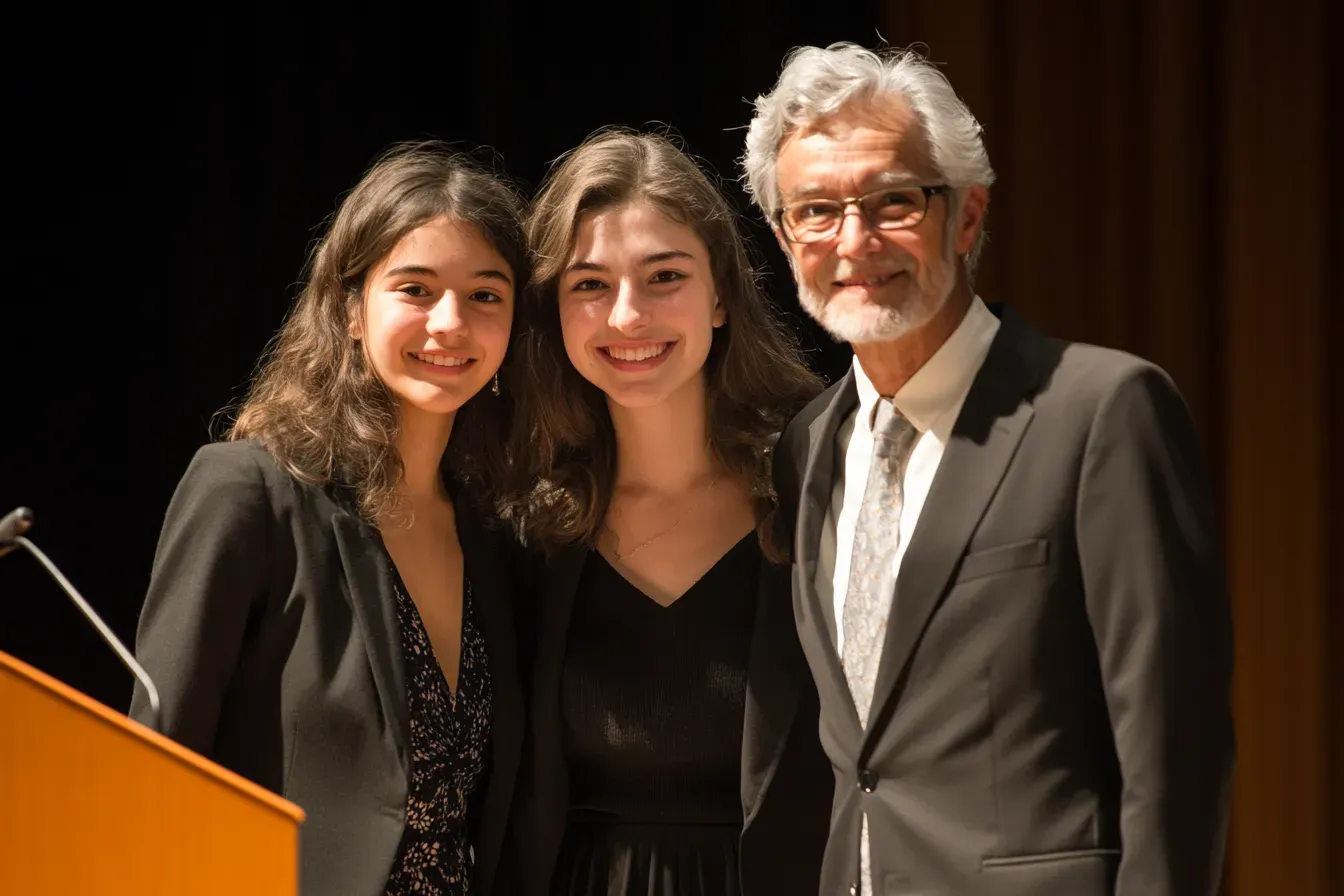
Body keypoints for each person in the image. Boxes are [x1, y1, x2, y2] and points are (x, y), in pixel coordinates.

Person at [741, 42, 1235, 896]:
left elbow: (1175, 752)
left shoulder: (1101, 410)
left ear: (966, 216)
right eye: (815, 211)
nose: (853, 240)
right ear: (786, 239)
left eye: (892, 201)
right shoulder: (808, 445)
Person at [128, 141, 529, 896]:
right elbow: (155, 765)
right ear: (350, 309)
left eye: (485, 295)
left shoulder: (493, 531)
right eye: (415, 289)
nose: (451, 323)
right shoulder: (248, 490)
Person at [500, 129, 833, 896]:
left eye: (664, 276)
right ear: (553, 310)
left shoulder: (820, 492)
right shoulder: (522, 527)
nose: (627, 315)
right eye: (589, 284)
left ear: (720, 295)